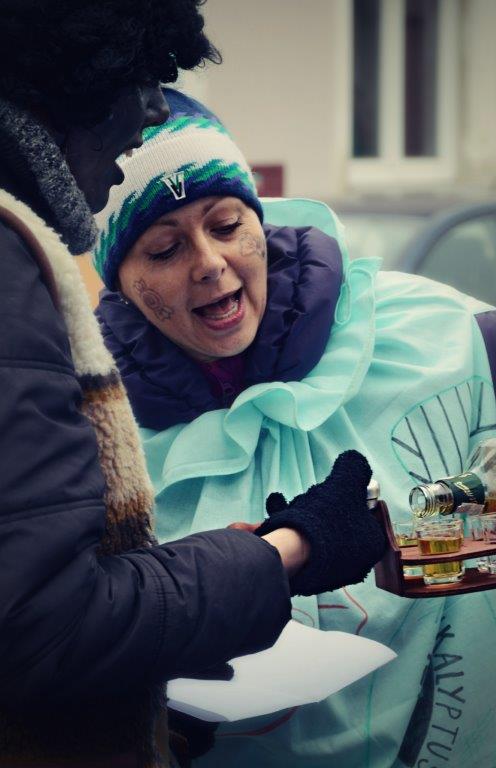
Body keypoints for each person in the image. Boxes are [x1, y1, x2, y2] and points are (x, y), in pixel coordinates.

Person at [0, 4, 385, 767]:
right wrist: (289, 550)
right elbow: (45, 628)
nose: (157, 107)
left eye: (228, 224)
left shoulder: (426, 327)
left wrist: (148, 711)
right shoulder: (9, 270)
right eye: (139, 75)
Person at [95, 88, 496, 768]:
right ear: (122, 281)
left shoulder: (442, 338)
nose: (209, 262)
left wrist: (423, 543)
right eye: (165, 249)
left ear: (258, 222)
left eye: (226, 225)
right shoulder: (91, 424)